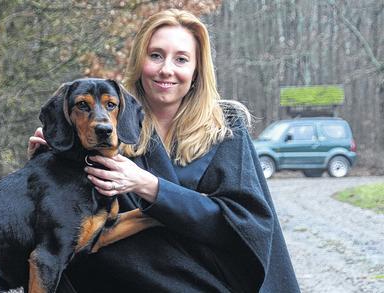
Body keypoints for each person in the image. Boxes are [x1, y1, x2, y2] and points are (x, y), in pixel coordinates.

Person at [28, 9, 300, 293]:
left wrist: (150, 186)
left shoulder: (225, 128)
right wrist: (46, 161)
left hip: (209, 283)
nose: (166, 69)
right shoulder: (102, 126)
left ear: (197, 70)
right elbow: (64, 221)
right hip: (115, 283)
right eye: (155, 55)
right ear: (140, 61)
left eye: (181, 59)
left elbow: (242, 226)